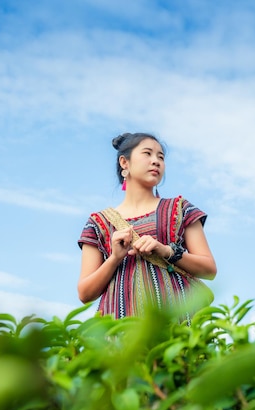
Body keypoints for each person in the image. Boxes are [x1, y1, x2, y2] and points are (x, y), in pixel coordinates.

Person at [77, 132, 217, 320]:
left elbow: (209, 270)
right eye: (147, 154)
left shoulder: (180, 208)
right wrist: (115, 258)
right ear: (124, 163)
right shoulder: (98, 223)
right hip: (121, 329)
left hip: (178, 323)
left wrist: (166, 251)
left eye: (161, 157)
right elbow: (85, 293)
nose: (156, 161)